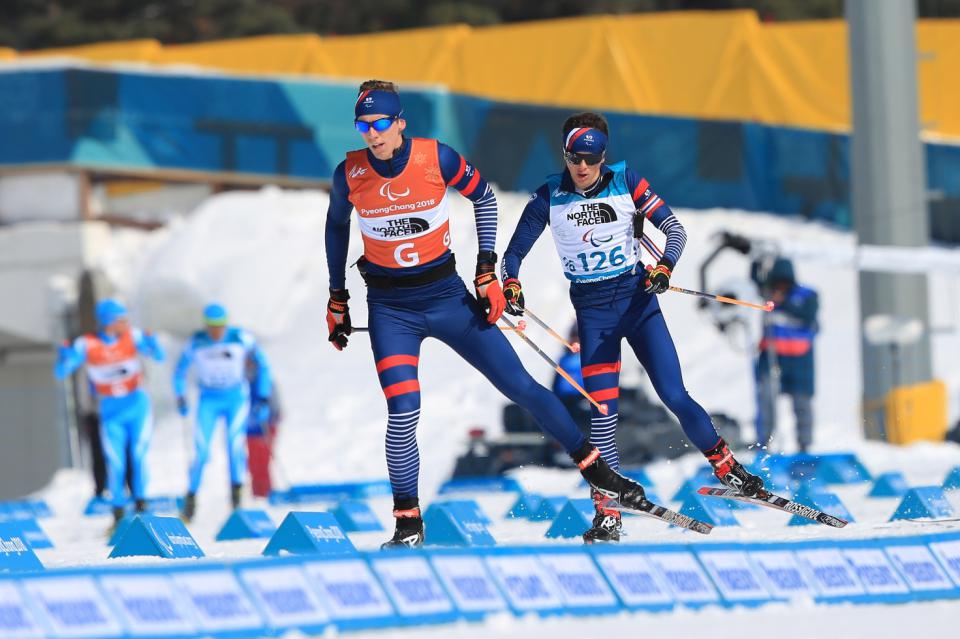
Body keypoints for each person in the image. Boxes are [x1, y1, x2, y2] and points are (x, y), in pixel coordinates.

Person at [324, 80, 649, 548]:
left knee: (520, 386)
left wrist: (485, 269)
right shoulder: (349, 173)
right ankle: (408, 524)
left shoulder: (436, 157)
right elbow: (336, 226)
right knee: (402, 410)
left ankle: (598, 472)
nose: (371, 134)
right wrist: (338, 298)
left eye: (380, 124)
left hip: (448, 299)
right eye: (363, 125)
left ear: (400, 123)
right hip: (391, 309)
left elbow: (485, 197)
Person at [501, 112, 764, 543]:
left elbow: (674, 229)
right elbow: (514, 252)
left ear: (604, 156)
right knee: (602, 415)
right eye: (574, 158)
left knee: (674, 395)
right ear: (564, 155)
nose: (582, 168)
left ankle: (728, 468)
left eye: (591, 159)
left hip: (639, 304)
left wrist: (664, 265)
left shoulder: (628, 182)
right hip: (593, 315)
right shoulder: (549, 195)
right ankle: (608, 513)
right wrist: (510, 282)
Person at [54, 298, 165, 529]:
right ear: (107, 322)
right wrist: (64, 357)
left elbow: (158, 356)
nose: (125, 323)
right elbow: (62, 372)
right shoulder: (87, 344)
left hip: (136, 405)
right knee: (116, 462)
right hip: (110, 410)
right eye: (120, 319)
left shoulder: (132, 336)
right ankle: (117, 513)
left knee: (138, 455)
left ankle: (141, 506)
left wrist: (153, 344)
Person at [173, 303, 272, 521]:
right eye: (212, 326)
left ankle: (237, 502)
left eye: (220, 326)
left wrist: (263, 397)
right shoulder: (196, 342)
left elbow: (263, 365)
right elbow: (179, 371)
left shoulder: (240, 338)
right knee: (201, 452)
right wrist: (180, 395)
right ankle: (190, 501)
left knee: (234, 446)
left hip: (235, 398)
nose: (216, 331)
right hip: (208, 399)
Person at [751, 257, 818, 452]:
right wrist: (755, 260)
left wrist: (784, 302)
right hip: (771, 357)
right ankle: (763, 443)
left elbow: (808, 316)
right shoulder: (767, 297)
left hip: (800, 359)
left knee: (802, 404)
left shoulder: (807, 295)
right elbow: (755, 280)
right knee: (766, 402)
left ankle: (804, 445)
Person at [245, 357, 281, 497]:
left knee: (264, 459)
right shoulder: (241, 379)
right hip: (250, 427)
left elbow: (275, 403)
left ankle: (266, 491)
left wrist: (273, 418)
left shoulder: (265, 379)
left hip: (265, 425)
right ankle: (257, 491)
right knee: (252, 461)